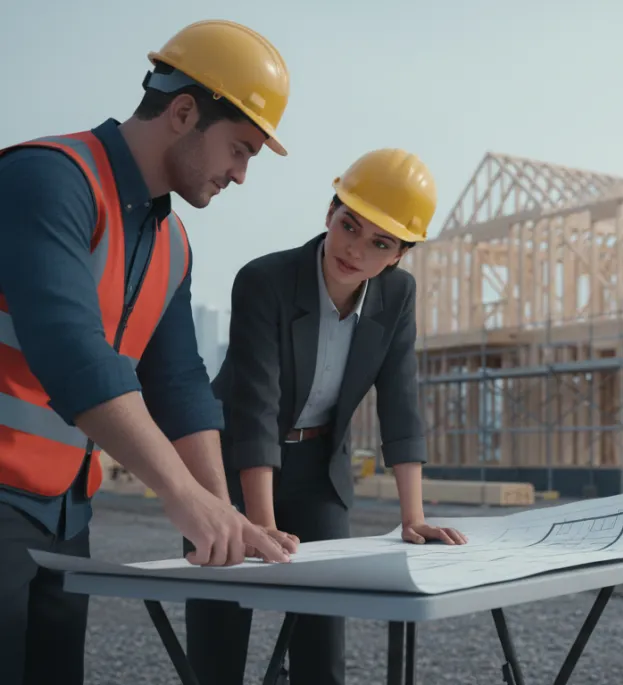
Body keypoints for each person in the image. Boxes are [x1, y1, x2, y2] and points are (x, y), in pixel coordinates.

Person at [0, 19, 301, 685]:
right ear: (184, 112)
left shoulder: (172, 244)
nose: (242, 175)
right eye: (240, 150)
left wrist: (223, 514)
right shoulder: (48, 180)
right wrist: (179, 496)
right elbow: (73, 352)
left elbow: (180, 385)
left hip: (61, 513)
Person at [184, 148, 468, 685]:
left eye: (380, 242)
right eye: (349, 225)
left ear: (399, 255)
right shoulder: (264, 280)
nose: (355, 249)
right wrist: (260, 525)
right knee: (219, 636)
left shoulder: (397, 296)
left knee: (322, 644)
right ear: (330, 212)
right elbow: (256, 407)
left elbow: (400, 398)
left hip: (318, 470)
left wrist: (413, 517)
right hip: (227, 468)